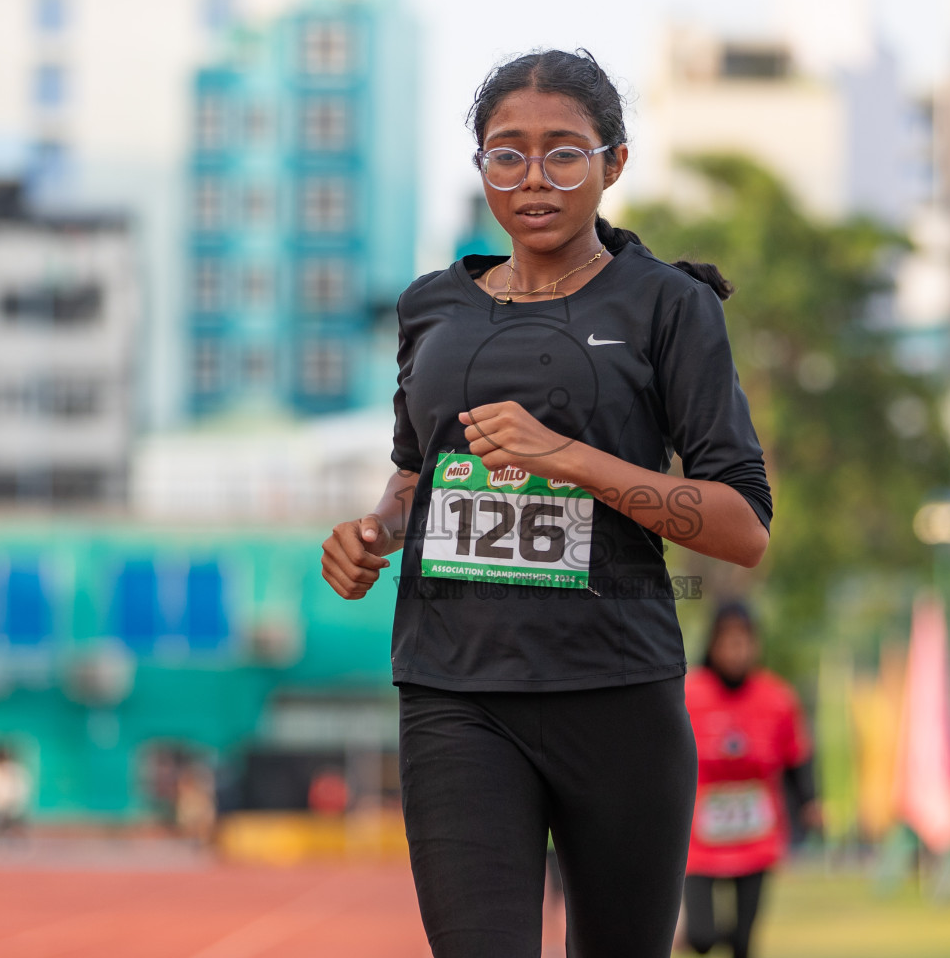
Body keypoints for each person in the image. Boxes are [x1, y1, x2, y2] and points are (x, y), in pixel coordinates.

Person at [320, 48, 772, 958]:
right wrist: (378, 531)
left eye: (564, 152)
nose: (534, 177)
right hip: (455, 690)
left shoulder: (669, 306)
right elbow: (418, 470)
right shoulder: (432, 309)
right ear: (481, 164)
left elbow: (742, 527)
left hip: (616, 693)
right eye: (506, 153)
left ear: (614, 162)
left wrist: (569, 458)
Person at [683, 602, 813, 958]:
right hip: (699, 838)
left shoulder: (778, 698)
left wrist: (810, 802)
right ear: (712, 644)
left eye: (744, 641)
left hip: (757, 835)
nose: (736, 650)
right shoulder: (688, 695)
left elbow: (797, 756)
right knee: (701, 936)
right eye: (728, 641)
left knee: (743, 941)